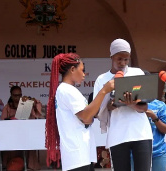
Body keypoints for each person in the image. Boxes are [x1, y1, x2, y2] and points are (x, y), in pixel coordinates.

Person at [45, 53, 114, 171]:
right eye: (82, 70)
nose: (84, 74)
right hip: (77, 154)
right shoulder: (67, 90)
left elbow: (88, 115)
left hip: (80, 153)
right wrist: (104, 91)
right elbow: (86, 117)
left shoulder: (66, 89)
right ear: (72, 69)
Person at [93, 38, 152, 171]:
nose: (122, 63)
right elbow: (97, 109)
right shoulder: (102, 79)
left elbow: (144, 107)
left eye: (126, 59)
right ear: (111, 57)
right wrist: (109, 105)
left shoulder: (137, 73)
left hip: (141, 133)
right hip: (118, 134)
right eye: (119, 59)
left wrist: (130, 103)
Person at [1, 86, 42, 170]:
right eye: (15, 95)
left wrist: (33, 103)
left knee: (30, 142)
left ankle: (30, 166)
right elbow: (2, 123)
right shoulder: (7, 107)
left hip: (25, 133)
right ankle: (11, 164)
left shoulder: (25, 104)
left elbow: (36, 116)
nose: (17, 97)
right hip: (11, 135)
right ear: (11, 95)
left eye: (19, 95)